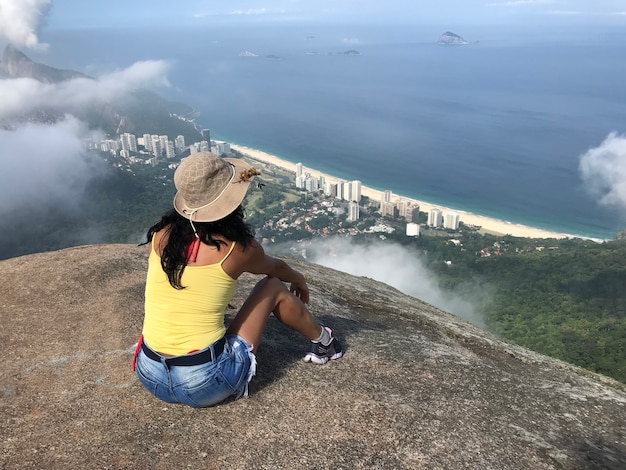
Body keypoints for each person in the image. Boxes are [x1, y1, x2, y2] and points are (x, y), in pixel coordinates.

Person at [133, 151, 343, 407]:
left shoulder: (161, 235)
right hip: (204, 383)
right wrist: (299, 279)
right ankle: (326, 343)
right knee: (273, 286)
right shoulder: (235, 249)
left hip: (150, 374)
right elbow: (275, 269)